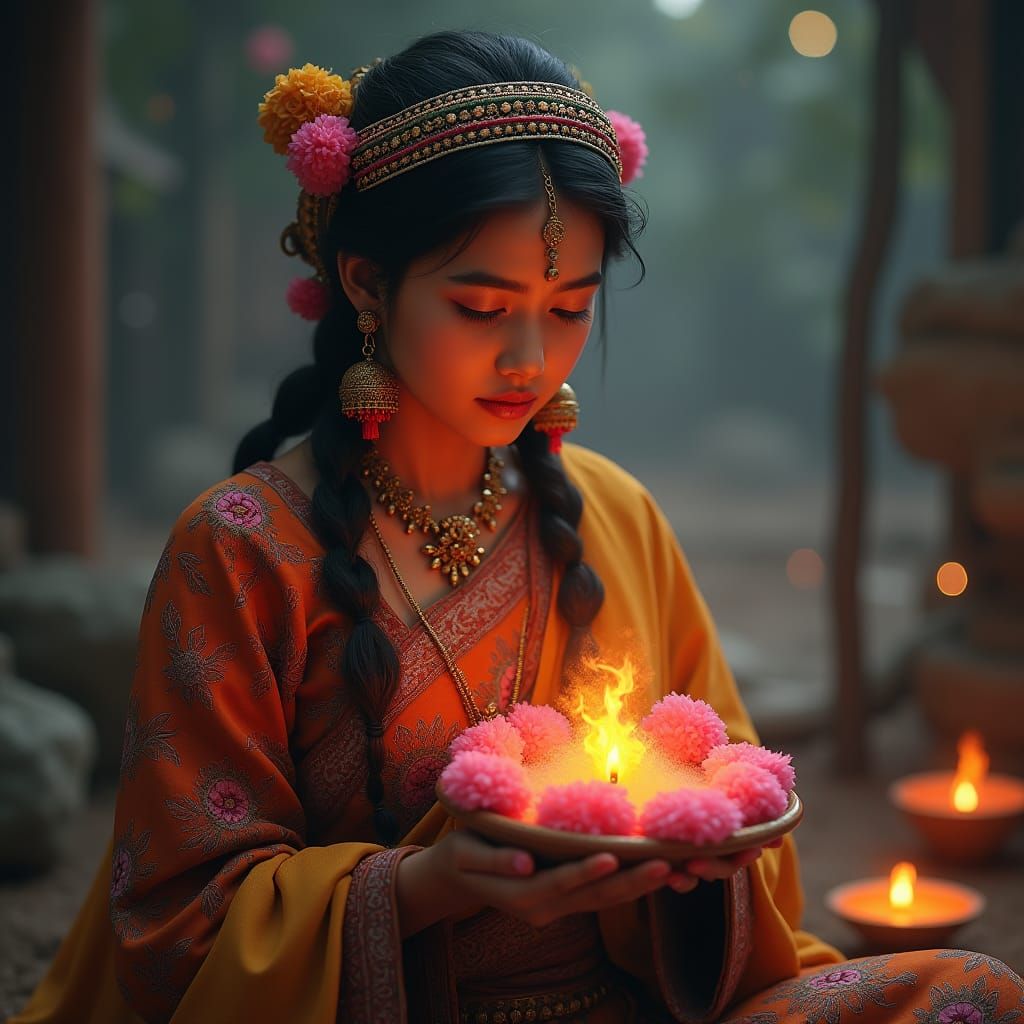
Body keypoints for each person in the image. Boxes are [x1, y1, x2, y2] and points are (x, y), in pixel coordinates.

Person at [9, 28, 1022, 1024]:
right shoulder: (236, 549)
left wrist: (696, 859)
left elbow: (743, 809)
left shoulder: (614, 511)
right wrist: (430, 886)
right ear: (366, 280)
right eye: (484, 307)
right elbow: (173, 931)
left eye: (571, 305)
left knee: (974, 996)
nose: (532, 360)